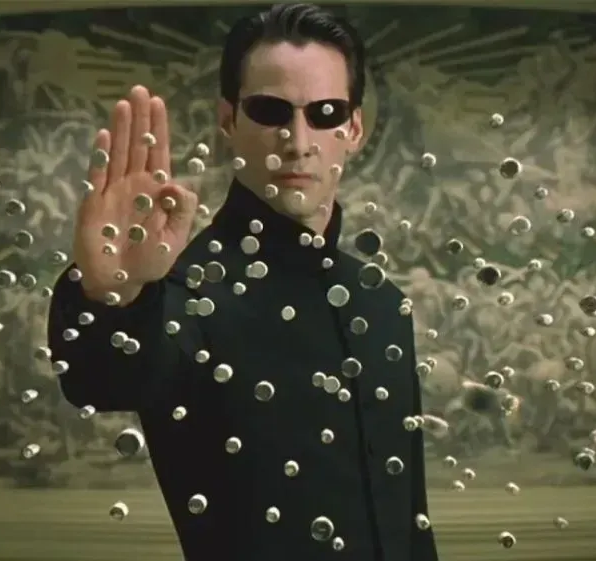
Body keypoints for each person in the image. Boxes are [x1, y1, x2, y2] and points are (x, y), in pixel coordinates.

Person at [48, 4, 439, 560]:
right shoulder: (185, 293)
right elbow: (104, 378)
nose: (298, 139)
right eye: (270, 110)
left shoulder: (383, 303)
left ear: (353, 129)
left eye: (325, 113)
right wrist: (111, 294)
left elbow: (411, 524)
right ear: (229, 121)